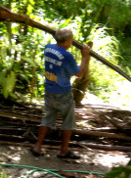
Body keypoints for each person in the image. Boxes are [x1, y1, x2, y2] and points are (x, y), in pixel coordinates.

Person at [31, 28, 90, 159]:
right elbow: (79, 73)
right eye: (71, 40)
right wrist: (85, 56)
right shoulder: (67, 56)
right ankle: (64, 150)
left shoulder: (48, 48)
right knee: (68, 121)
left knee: (47, 118)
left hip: (49, 90)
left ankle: (37, 146)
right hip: (63, 93)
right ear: (65, 42)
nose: (72, 42)